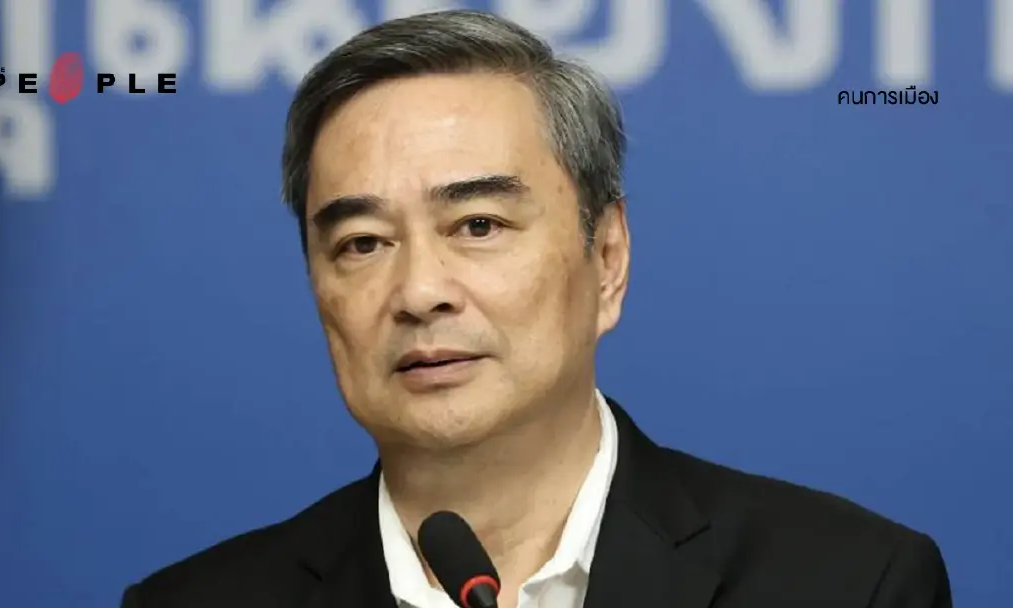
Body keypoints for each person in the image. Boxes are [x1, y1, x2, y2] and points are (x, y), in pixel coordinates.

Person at [119, 9, 952, 608]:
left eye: (478, 226)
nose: (419, 292)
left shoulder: (848, 583)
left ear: (608, 258)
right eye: (363, 243)